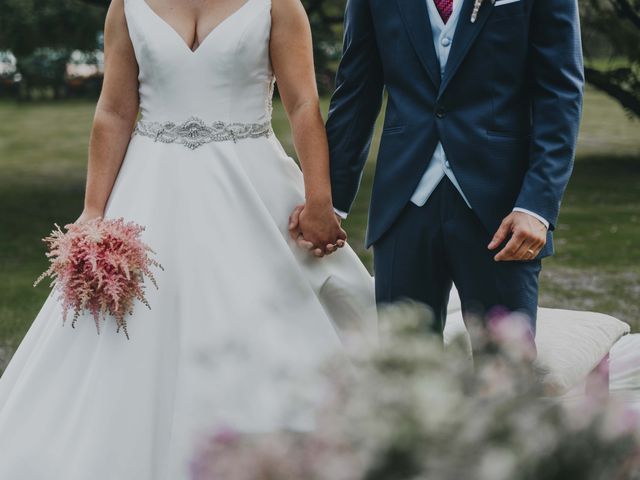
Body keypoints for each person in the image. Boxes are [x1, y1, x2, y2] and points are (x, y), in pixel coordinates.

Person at [0, 1, 376, 478]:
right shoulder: (128, 5)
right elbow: (114, 111)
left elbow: (302, 103)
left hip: (250, 181)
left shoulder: (278, 3)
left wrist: (318, 199)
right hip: (149, 187)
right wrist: (93, 211)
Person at [292, 0, 585, 343]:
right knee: (402, 366)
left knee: (506, 370)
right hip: (403, 204)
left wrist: (536, 206)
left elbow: (560, 93)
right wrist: (329, 202)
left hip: (503, 212)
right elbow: (357, 91)